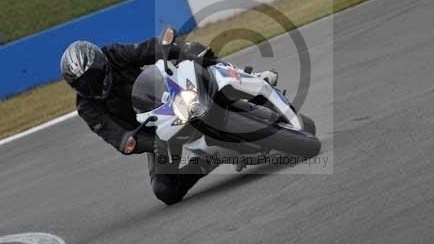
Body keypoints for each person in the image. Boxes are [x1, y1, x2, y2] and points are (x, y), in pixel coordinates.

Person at [60, 38, 278, 205]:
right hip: (155, 133)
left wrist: (180, 49)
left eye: (94, 76)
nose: (91, 85)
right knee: (165, 191)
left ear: (102, 63)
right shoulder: (87, 107)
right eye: (83, 84)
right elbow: (117, 137)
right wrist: (150, 144)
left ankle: (251, 79)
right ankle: (211, 158)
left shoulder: (114, 54)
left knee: (200, 64)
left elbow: (147, 49)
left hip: (170, 96)